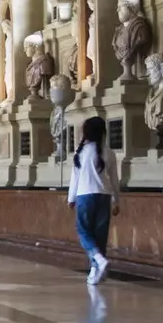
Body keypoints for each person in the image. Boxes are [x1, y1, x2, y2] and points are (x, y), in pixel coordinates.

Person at [67, 115, 118, 285]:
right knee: (100, 235)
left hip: (84, 195)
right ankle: (95, 271)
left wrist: (71, 198)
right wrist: (116, 201)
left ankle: (98, 260)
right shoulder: (109, 153)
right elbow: (114, 180)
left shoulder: (81, 152)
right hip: (104, 195)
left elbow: (75, 177)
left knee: (83, 231)